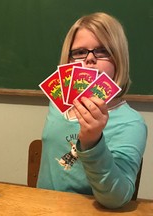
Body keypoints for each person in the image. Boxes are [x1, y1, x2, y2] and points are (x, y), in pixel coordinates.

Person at [37, 12, 147, 209]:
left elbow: (117, 198)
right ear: (68, 60)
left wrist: (93, 141)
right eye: (79, 52)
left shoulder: (131, 123)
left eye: (102, 51)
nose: (89, 59)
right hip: (45, 208)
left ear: (118, 58)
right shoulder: (57, 105)